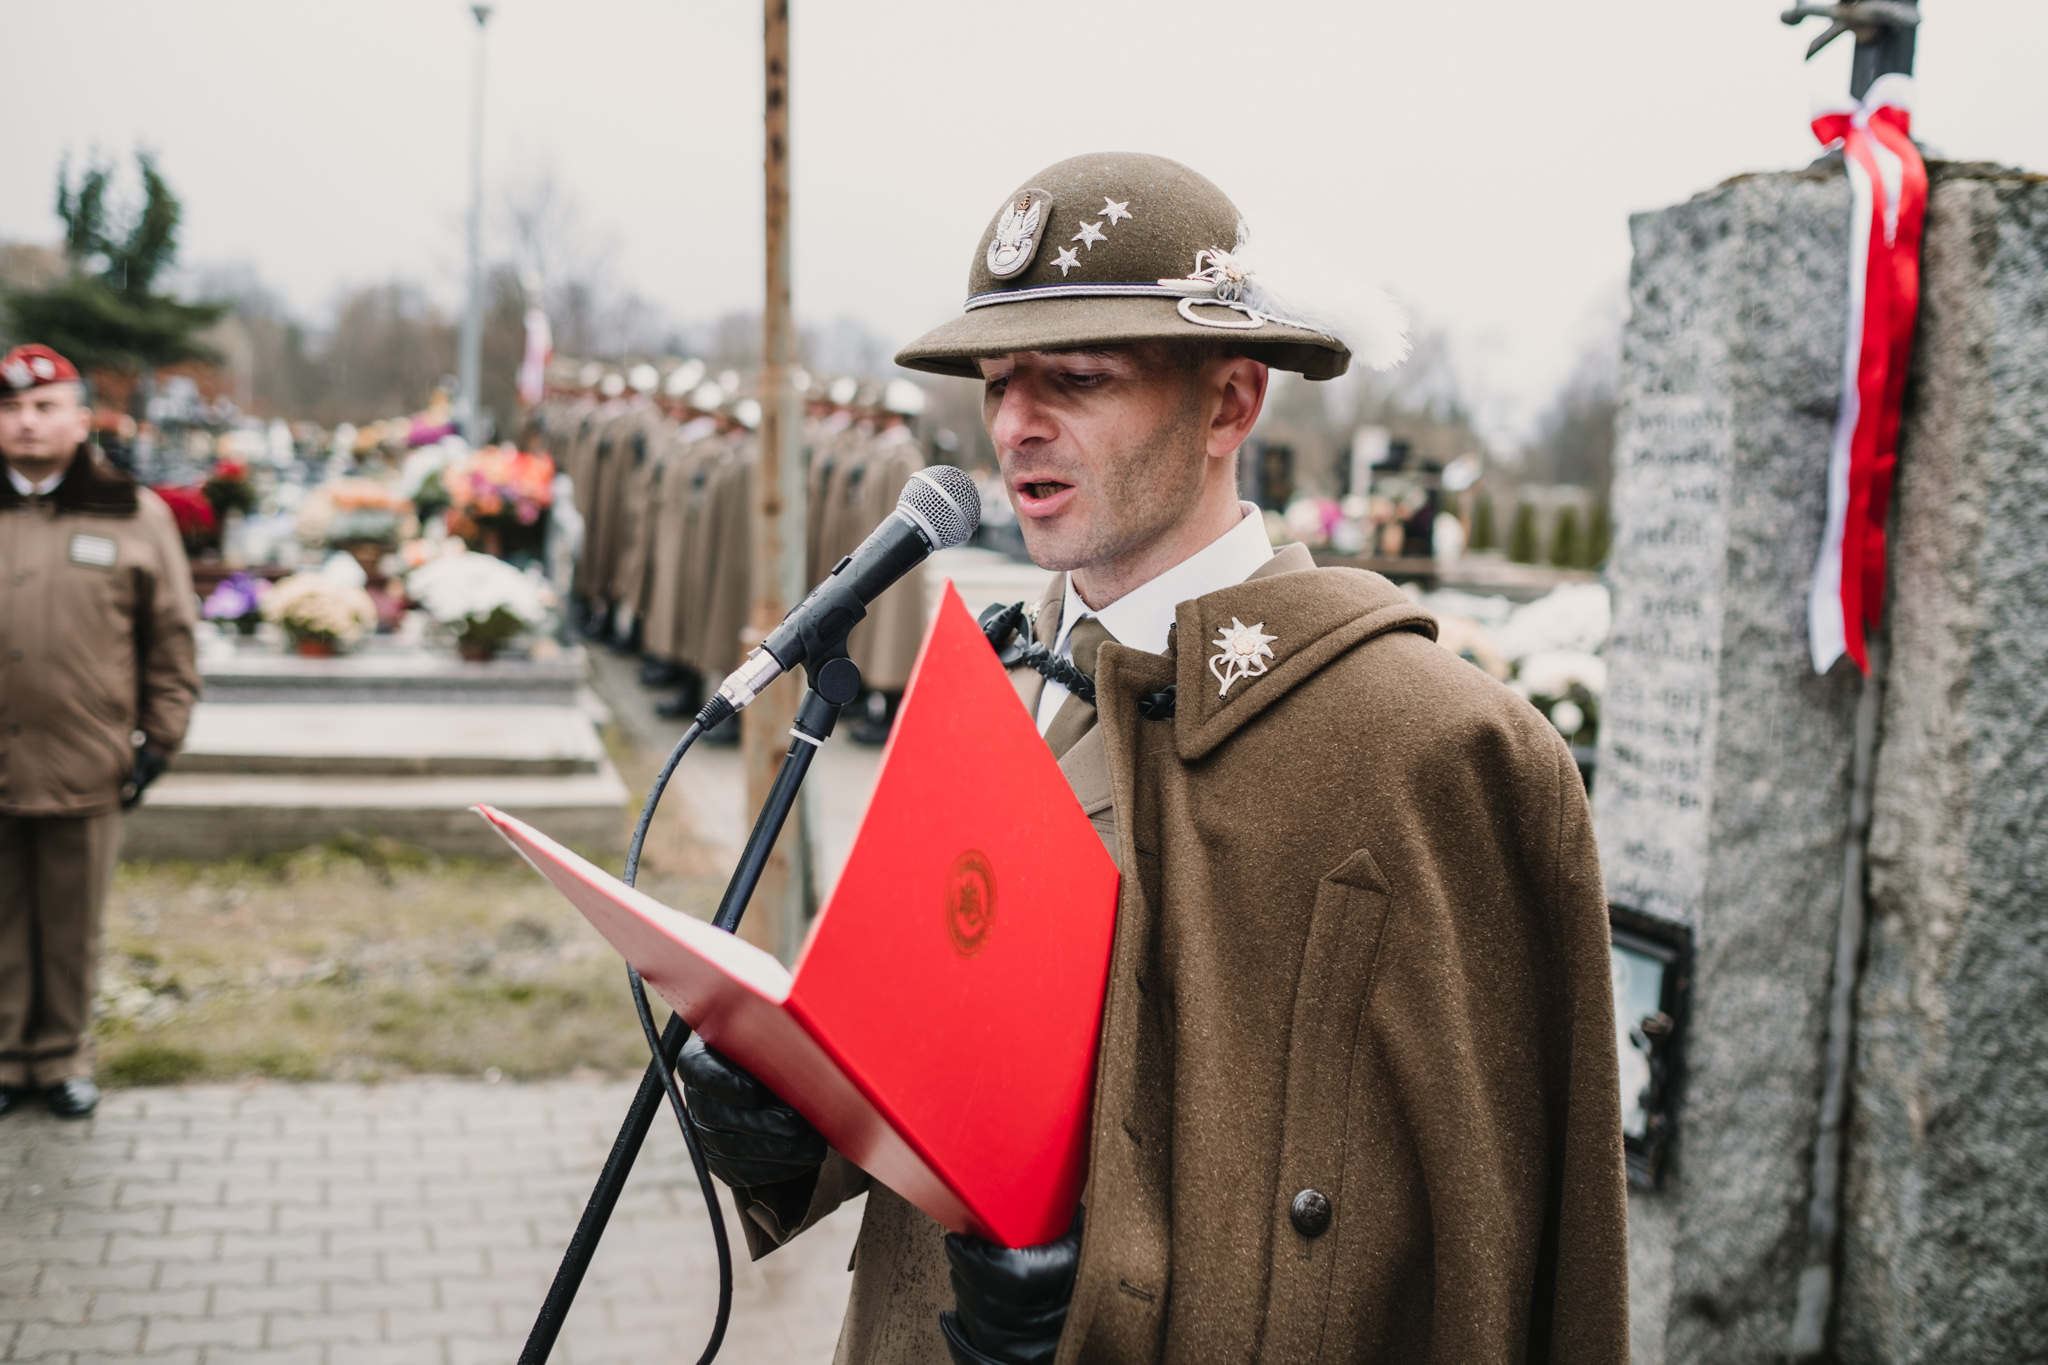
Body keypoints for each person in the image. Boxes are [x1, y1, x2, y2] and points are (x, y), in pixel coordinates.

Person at [680, 153, 1628, 1363]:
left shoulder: (1428, 747)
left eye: (1077, 378)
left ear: (1230, 404)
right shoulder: (1004, 675)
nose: (1014, 424)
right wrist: (799, 1126)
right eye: (998, 381)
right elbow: (945, 1044)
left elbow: (1497, 1235)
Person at [0, 345, 199, 1119]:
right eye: (11, 407)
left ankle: (61, 1057)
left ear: (81, 420)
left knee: (71, 923)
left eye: (44, 406)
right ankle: (7, 1059)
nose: (25, 421)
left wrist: (160, 741)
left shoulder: (131, 513)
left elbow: (171, 638)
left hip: (84, 760)